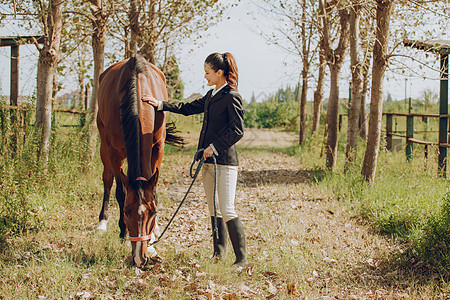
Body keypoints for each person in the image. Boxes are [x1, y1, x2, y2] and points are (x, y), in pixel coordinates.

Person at [141, 52, 247, 268]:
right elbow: (187, 108)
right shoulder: (211, 95)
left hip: (225, 162)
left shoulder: (232, 97)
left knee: (227, 209)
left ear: (219, 73)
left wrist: (214, 147)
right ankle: (219, 254)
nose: (205, 76)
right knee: (213, 209)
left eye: (208, 72)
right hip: (206, 161)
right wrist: (159, 104)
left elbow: (237, 130)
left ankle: (242, 260)